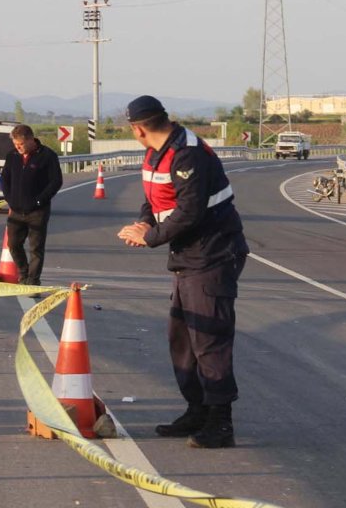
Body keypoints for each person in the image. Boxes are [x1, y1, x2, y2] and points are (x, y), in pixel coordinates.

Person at [116, 95, 249, 449]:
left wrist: (151, 238)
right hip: (187, 256)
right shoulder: (157, 152)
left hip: (213, 254)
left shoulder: (187, 153)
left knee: (209, 340)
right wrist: (144, 223)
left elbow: (189, 211)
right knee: (182, 339)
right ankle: (197, 410)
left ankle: (220, 422)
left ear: (138, 128)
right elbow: (154, 198)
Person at [0, 124, 62, 286]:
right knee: (13, 244)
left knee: (36, 249)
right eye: (15, 144)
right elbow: (4, 179)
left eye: (20, 144)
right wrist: (9, 198)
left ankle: (33, 281)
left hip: (38, 212)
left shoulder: (48, 156)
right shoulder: (12, 155)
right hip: (16, 211)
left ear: (30, 139)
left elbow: (56, 182)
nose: (17, 147)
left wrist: (40, 200)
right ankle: (23, 273)